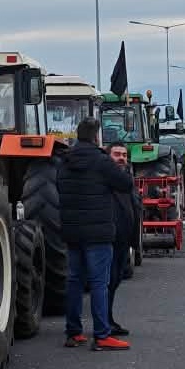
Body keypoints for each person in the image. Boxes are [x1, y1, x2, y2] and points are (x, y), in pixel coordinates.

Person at [57, 118, 134, 350]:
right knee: (100, 283)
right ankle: (101, 335)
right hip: (98, 232)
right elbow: (125, 184)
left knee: (74, 281)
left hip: (72, 231)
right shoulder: (102, 161)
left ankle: (73, 332)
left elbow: (59, 187)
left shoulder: (65, 161)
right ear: (96, 137)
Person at [107, 144, 138, 336]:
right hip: (110, 238)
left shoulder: (126, 179)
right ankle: (105, 323)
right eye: (117, 154)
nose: (121, 158)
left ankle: (108, 320)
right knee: (108, 282)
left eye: (124, 155)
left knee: (115, 280)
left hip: (123, 240)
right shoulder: (106, 178)